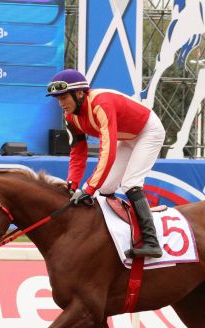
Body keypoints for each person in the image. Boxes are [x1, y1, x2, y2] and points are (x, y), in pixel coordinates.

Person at [46, 68, 166, 259]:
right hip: (127, 137)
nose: (60, 103)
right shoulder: (70, 117)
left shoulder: (100, 104)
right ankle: (113, 235)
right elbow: (78, 153)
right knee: (105, 189)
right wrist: (72, 185)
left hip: (149, 131)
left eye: (64, 97)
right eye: (57, 99)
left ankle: (151, 242)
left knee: (130, 184)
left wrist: (88, 189)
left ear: (79, 93)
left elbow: (107, 152)